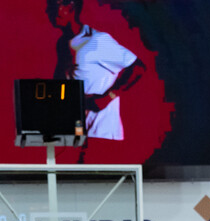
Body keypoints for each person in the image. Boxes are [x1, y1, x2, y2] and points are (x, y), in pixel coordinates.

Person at [48, 0, 146, 143]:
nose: (49, 11)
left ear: (71, 6)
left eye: (55, 6)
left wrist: (110, 95)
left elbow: (138, 67)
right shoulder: (63, 43)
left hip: (102, 130)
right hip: (77, 129)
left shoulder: (97, 40)